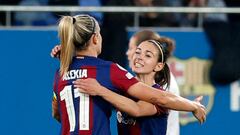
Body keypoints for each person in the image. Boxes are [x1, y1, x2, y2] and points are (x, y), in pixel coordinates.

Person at [52, 14, 206, 135]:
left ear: (159, 65)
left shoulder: (61, 73)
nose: (136, 56)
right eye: (136, 51)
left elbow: (58, 113)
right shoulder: (111, 74)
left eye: (147, 55)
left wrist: (99, 90)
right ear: (95, 38)